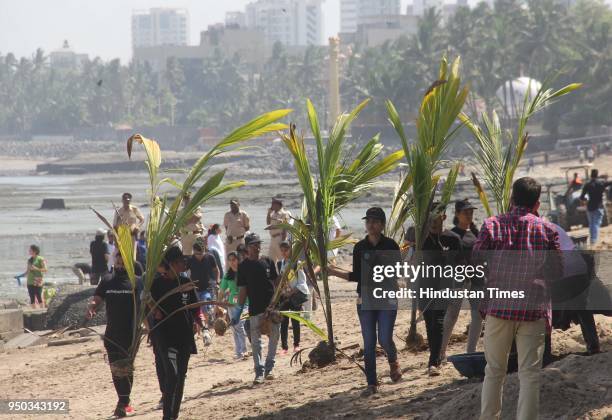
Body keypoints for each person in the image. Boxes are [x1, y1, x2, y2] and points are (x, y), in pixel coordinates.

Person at [474, 177, 562, 420]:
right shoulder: (547, 230)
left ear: (512, 199)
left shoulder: (492, 225)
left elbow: (477, 263)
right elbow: (556, 271)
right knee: (530, 373)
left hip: (499, 307)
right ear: (537, 203)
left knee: (494, 371)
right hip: (532, 310)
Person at [328, 207, 402, 396]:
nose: (370, 224)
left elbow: (396, 273)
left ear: (382, 225)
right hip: (365, 300)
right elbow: (356, 276)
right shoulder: (359, 247)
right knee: (369, 343)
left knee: (385, 338)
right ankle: (371, 384)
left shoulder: (391, 246)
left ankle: (393, 361)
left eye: (375, 221)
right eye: (368, 221)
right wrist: (332, 270)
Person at [150, 246, 204, 420]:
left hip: (184, 336)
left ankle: (173, 416)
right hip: (165, 337)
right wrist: (154, 309)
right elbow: (148, 307)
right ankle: (167, 416)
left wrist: (202, 324)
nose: (184, 263)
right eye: (181, 261)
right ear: (172, 264)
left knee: (180, 377)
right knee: (172, 376)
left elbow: (196, 307)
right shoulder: (157, 284)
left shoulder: (185, 281)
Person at [86, 251, 140, 418]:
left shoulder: (136, 282)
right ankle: (123, 401)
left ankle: (123, 403)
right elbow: (98, 297)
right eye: (118, 259)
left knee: (126, 368)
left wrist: (149, 327)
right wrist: (92, 306)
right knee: (115, 369)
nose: (120, 263)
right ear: (114, 261)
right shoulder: (108, 280)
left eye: (123, 260)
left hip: (130, 333)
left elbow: (146, 303)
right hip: (111, 333)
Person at [419, 204, 462, 376]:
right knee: (430, 324)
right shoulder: (421, 239)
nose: (433, 222)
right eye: (430, 218)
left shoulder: (452, 239)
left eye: (437, 217)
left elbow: (460, 266)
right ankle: (435, 358)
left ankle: (433, 362)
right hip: (423, 288)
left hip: (444, 288)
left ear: (443, 217)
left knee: (438, 323)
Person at [232, 233, 280, 384]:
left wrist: (274, 303)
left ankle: (269, 368)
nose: (257, 247)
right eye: (254, 245)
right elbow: (243, 291)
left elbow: (277, 284)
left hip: (272, 308)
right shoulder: (244, 267)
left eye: (259, 244)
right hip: (255, 308)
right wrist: (238, 312)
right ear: (247, 248)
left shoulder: (268, 261)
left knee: (274, 336)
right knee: (256, 342)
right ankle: (258, 372)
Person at [440, 199, 483, 359]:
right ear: (457, 214)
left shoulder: (476, 234)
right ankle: (441, 352)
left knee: (477, 315)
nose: (469, 215)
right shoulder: (451, 235)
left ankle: (470, 352)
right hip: (457, 280)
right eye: (466, 212)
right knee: (452, 315)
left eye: (471, 212)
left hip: (477, 278)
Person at [277, 241, 310, 354]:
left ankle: (296, 344)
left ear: (291, 250)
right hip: (284, 296)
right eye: (282, 250)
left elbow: (302, 282)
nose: (284, 252)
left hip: (295, 295)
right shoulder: (279, 264)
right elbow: (279, 281)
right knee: (284, 322)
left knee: (295, 321)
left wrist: (291, 292)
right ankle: (284, 347)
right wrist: (283, 291)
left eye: (286, 250)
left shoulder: (297, 263)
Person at [218, 251, 249, 359]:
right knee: (234, 328)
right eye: (230, 260)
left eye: (234, 259)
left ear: (238, 260)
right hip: (231, 304)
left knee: (239, 325)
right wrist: (217, 304)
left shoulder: (245, 272)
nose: (232, 262)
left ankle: (244, 350)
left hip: (245, 303)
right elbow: (221, 291)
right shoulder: (228, 275)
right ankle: (238, 351)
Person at [187, 241, 218, 346]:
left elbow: (216, 269)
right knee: (196, 309)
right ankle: (199, 332)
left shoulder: (210, 257)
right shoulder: (190, 260)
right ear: (193, 252)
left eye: (201, 253)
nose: (199, 256)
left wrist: (216, 281)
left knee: (205, 306)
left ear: (205, 251)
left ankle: (206, 330)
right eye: (197, 254)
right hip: (194, 288)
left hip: (207, 287)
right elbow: (185, 272)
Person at [580, 169, 612, 245]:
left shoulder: (587, 184)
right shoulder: (601, 183)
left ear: (591, 175)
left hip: (590, 206)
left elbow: (581, 197)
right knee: (596, 224)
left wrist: (585, 200)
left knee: (591, 224)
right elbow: (610, 183)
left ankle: (592, 239)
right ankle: (594, 240)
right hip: (599, 206)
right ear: (597, 175)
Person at [266, 197, 292, 262]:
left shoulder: (284, 213)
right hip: (272, 239)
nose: (272, 206)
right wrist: (269, 213)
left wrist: (283, 240)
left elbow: (285, 226)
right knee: (270, 259)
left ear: (278, 204)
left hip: (279, 238)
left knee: (282, 258)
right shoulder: (273, 214)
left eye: (273, 204)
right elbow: (268, 222)